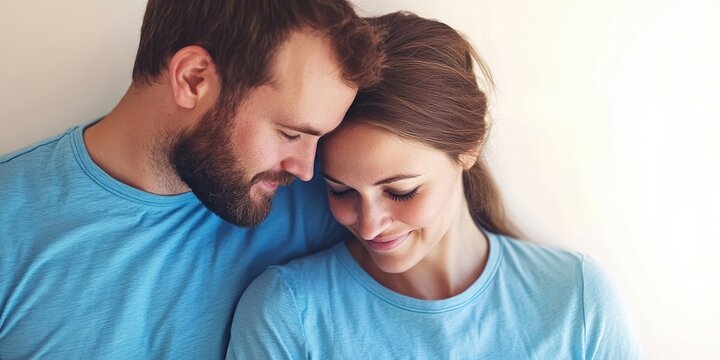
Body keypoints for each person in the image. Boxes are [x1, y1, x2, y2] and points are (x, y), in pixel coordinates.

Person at [228, 11, 643, 359]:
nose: (370, 225)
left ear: (468, 148)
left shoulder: (577, 299)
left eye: (401, 191)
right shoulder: (287, 313)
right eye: (342, 191)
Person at [0, 0, 383, 358]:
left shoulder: (338, 205)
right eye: (290, 134)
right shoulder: (10, 221)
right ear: (193, 78)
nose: (305, 169)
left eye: (320, 138)